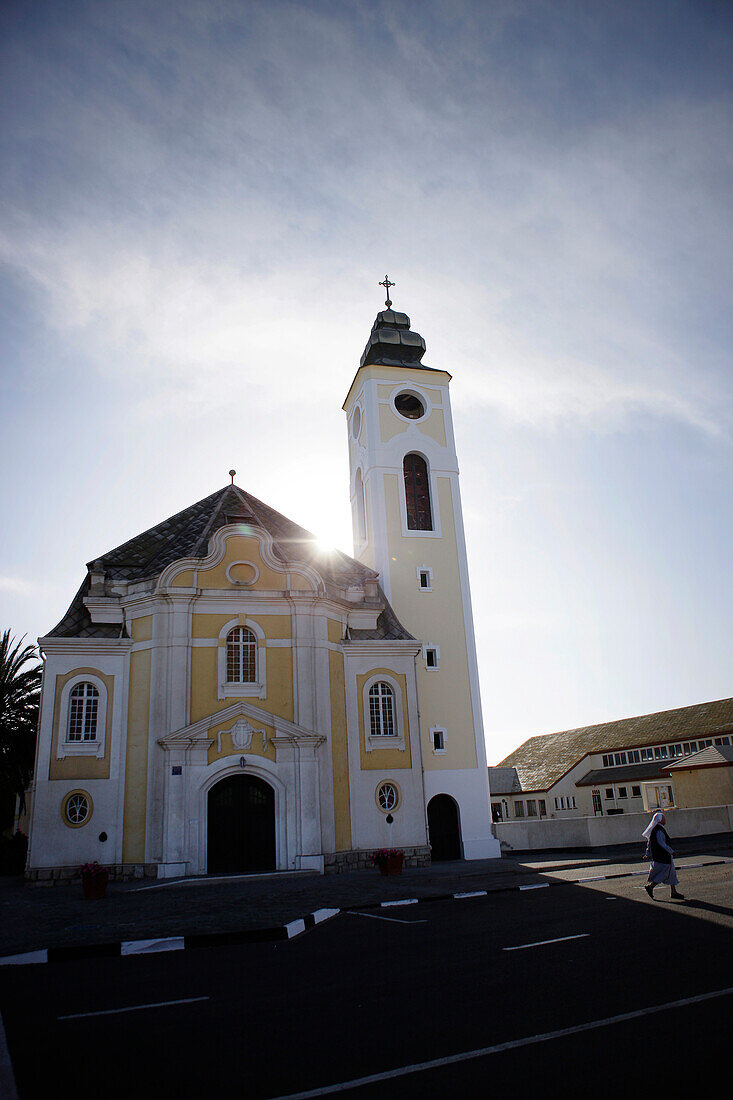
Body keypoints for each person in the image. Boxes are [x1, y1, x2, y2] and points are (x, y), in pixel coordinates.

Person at [642, 810, 684, 900]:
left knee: (672, 873)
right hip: (663, 856)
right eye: (664, 818)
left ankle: (673, 892)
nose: (665, 820)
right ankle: (650, 887)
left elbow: (649, 843)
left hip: (662, 856)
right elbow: (662, 843)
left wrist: (647, 853)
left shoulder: (655, 829)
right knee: (664, 873)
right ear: (660, 820)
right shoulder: (659, 830)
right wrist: (671, 851)